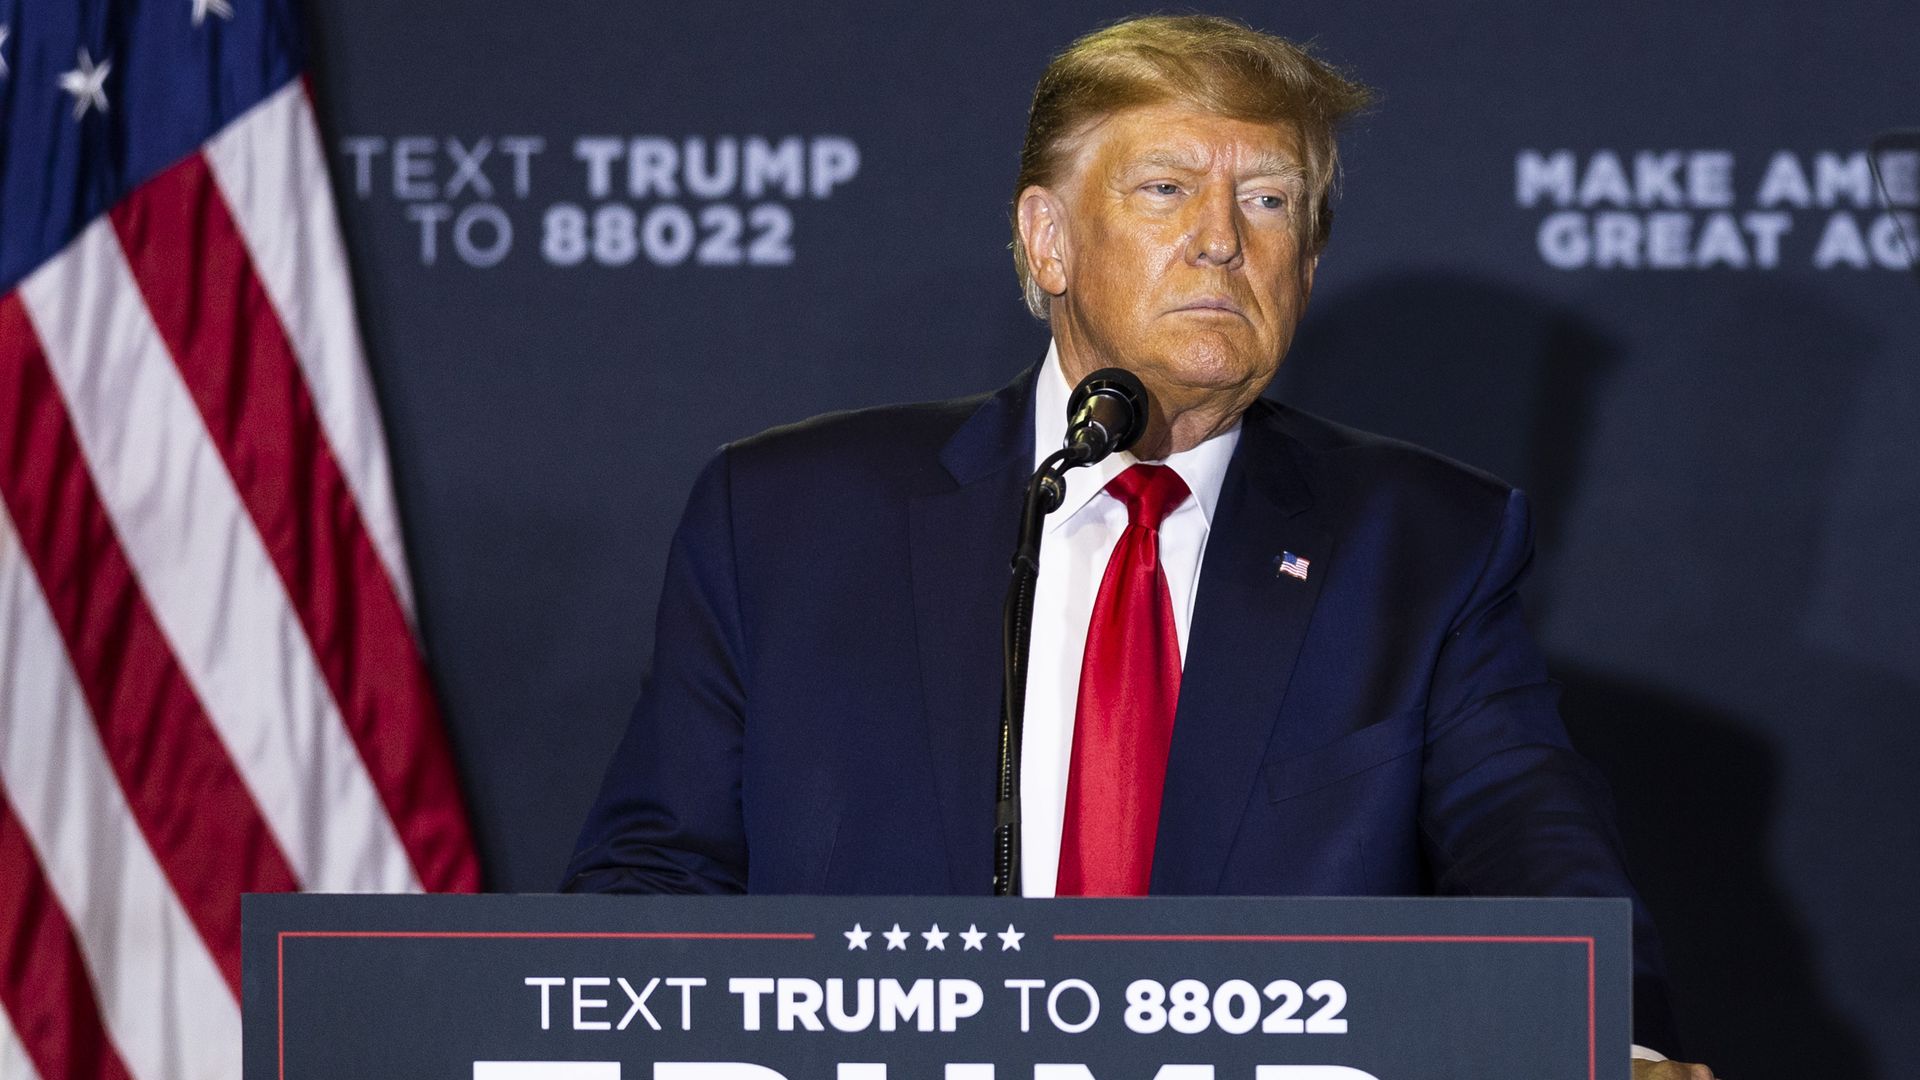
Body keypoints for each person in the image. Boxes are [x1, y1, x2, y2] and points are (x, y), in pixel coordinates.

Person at [565, 14, 1715, 1078]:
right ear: (1048, 240)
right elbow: (655, 882)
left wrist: (1615, 1046)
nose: (1221, 241)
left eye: (1270, 201)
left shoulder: (1425, 544)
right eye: (1167, 189)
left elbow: (1531, 849)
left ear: (1309, 264)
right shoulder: (787, 520)